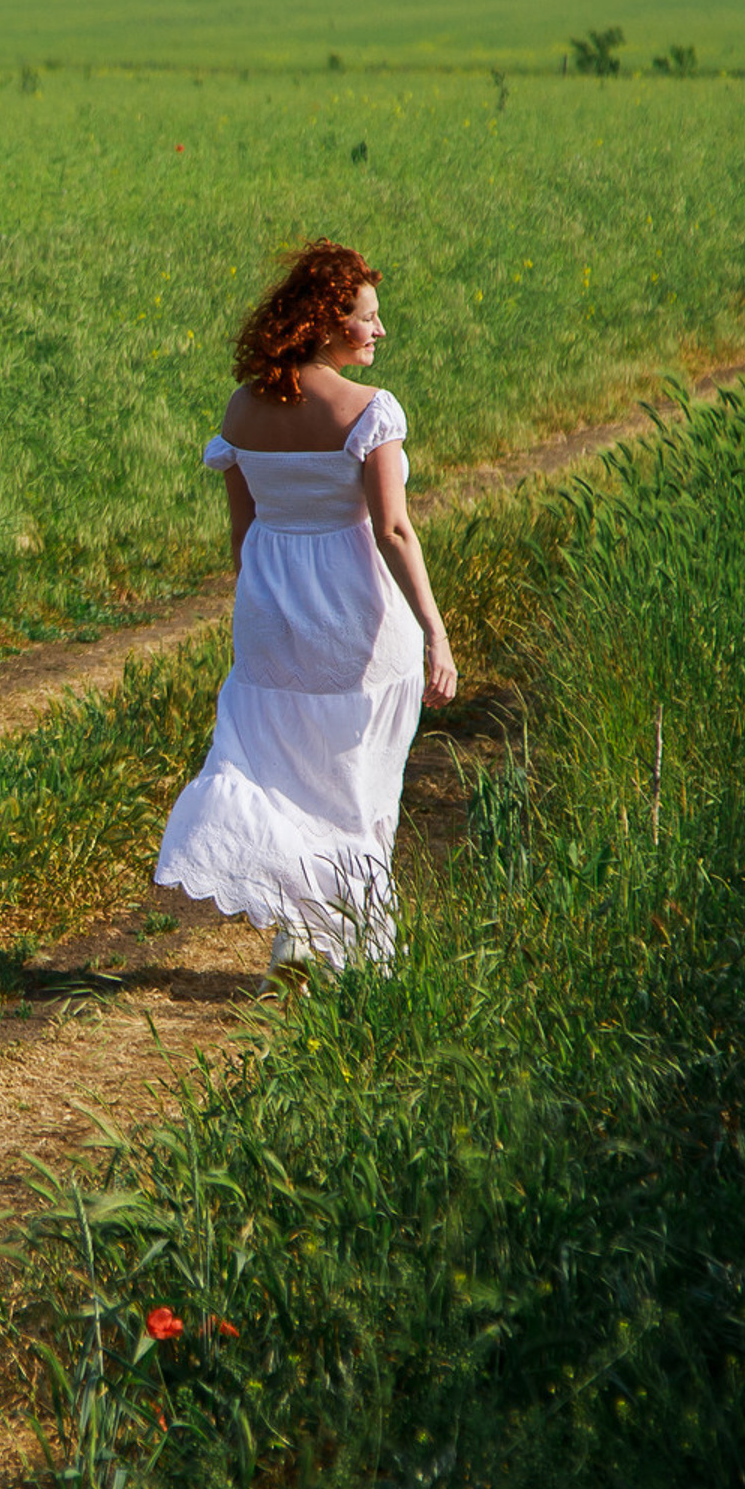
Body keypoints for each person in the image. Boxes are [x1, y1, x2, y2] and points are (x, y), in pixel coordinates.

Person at [154, 238, 457, 979]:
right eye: (367, 317)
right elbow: (391, 530)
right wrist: (435, 631)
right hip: (356, 615)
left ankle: (297, 935)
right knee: (358, 781)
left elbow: (242, 533)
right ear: (328, 322)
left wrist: (268, 604)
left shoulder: (242, 407)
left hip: (271, 613)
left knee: (276, 772)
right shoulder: (370, 411)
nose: (379, 331)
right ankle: (354, 950)